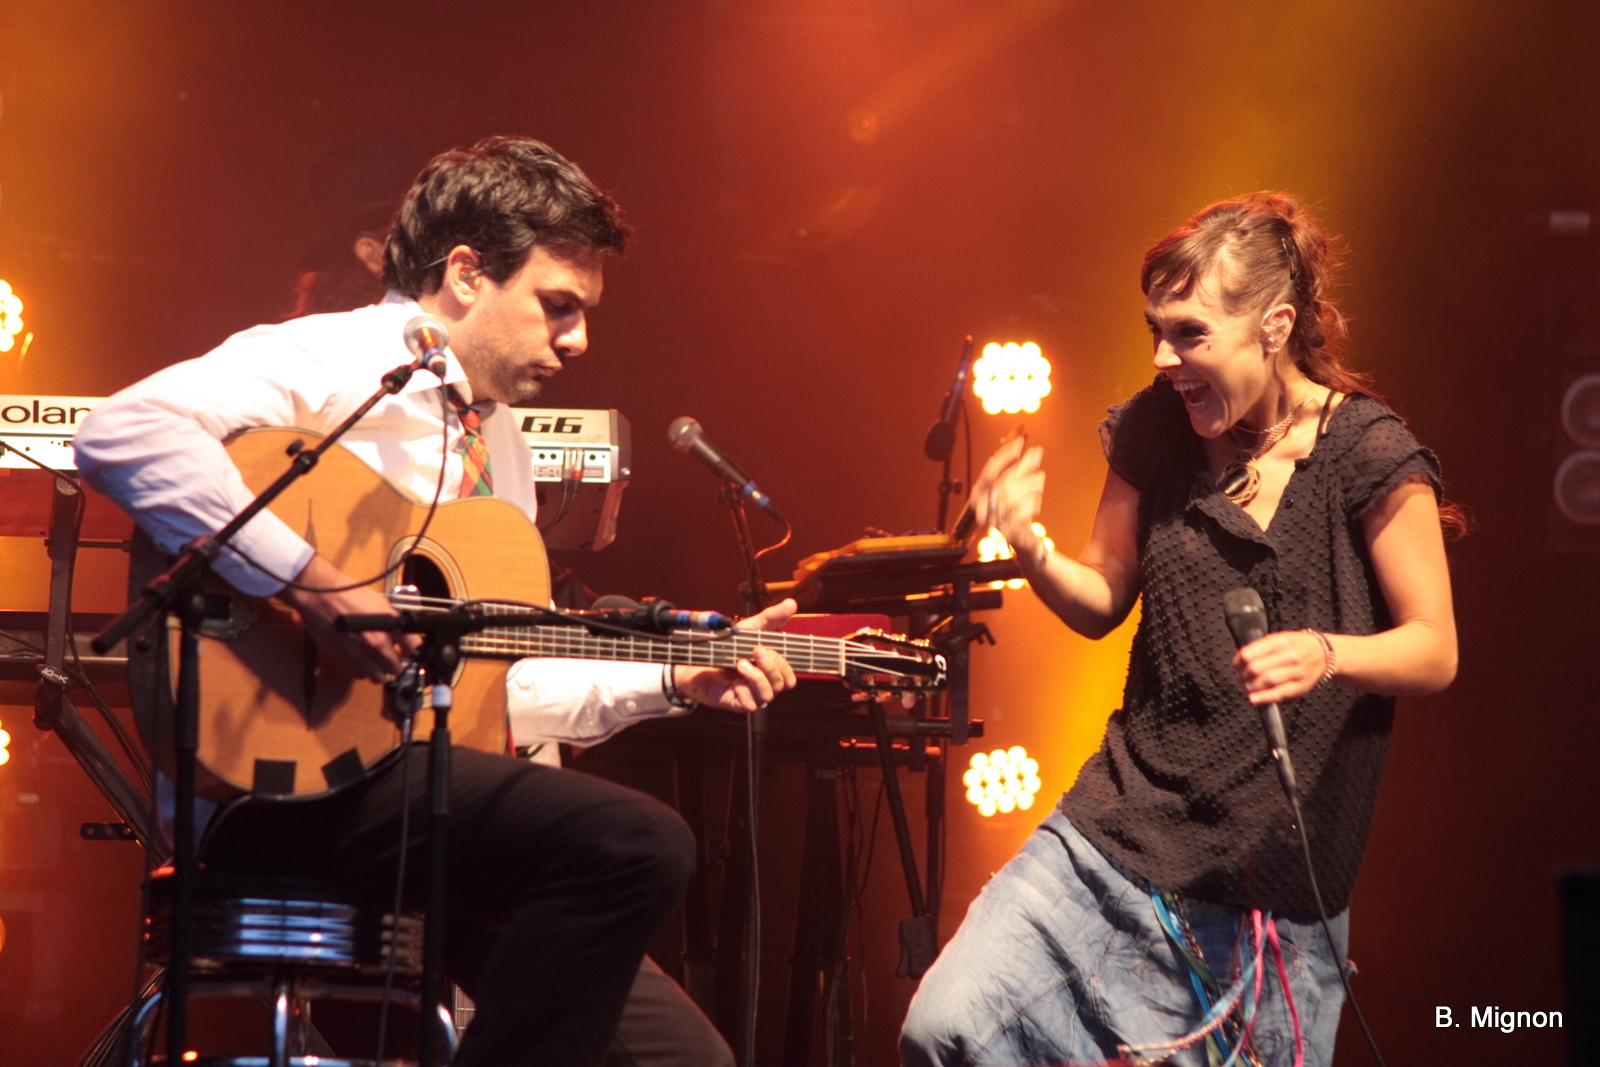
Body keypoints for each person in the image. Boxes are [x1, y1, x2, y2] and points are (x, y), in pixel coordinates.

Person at [75, 135, 795, 1067]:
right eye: (557, 306)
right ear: (465, 274)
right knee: (638, 840)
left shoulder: (508, 449)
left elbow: (496, 688)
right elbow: (122, 432)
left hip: (424, 804)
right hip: (282, 788)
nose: (578, 340)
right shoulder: (323, 358)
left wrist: (672, 681)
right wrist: (310, 579)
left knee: (685, 1060)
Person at [899, 192, 1457, 1067]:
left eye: (1190, 333)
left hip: (1268, 896)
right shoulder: (1158, 428)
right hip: (1117, 835)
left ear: (1273, 328)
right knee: (948, 1027)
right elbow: (1100, 597)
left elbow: (1435, 648)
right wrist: (1031, 546)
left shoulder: (1367, 452)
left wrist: (1324, 652)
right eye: (1155, 330)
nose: (1164, 358)